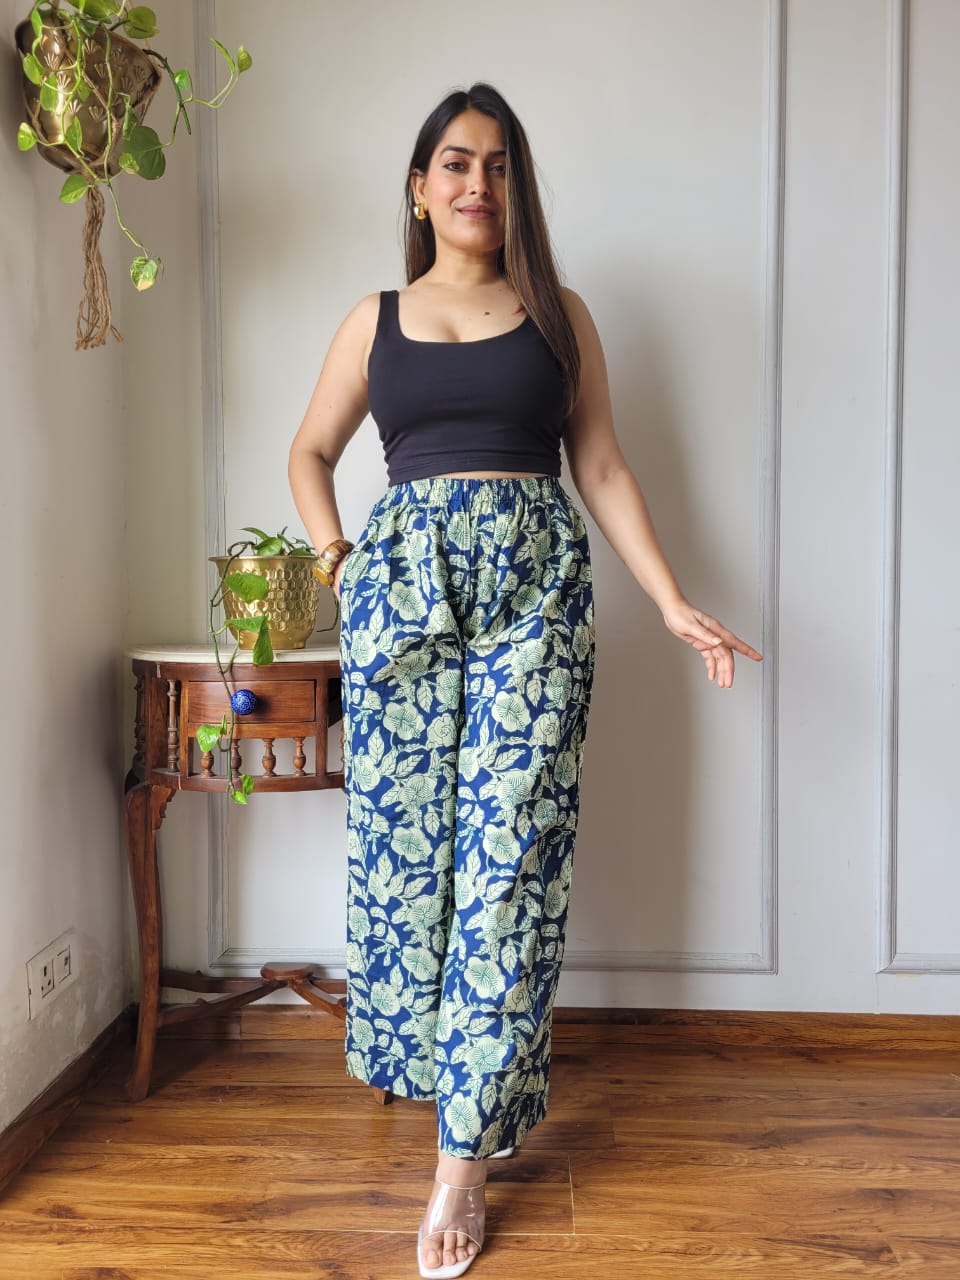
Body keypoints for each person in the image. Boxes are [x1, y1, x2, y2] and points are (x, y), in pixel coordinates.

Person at [288, 82, 762, 1278]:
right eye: (455, 163)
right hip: (403, 600)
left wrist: (670, 597)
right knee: (409, 863)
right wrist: (344, 564)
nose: (477, 184)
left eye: (499, 165)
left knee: (511, 864)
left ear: (519, 187)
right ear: (419, 187)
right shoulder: (374, 319)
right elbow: (309, 451)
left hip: (535, 597)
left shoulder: (559, 315)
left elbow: (598, 464)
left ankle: (462, 1162)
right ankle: (435, 1077)